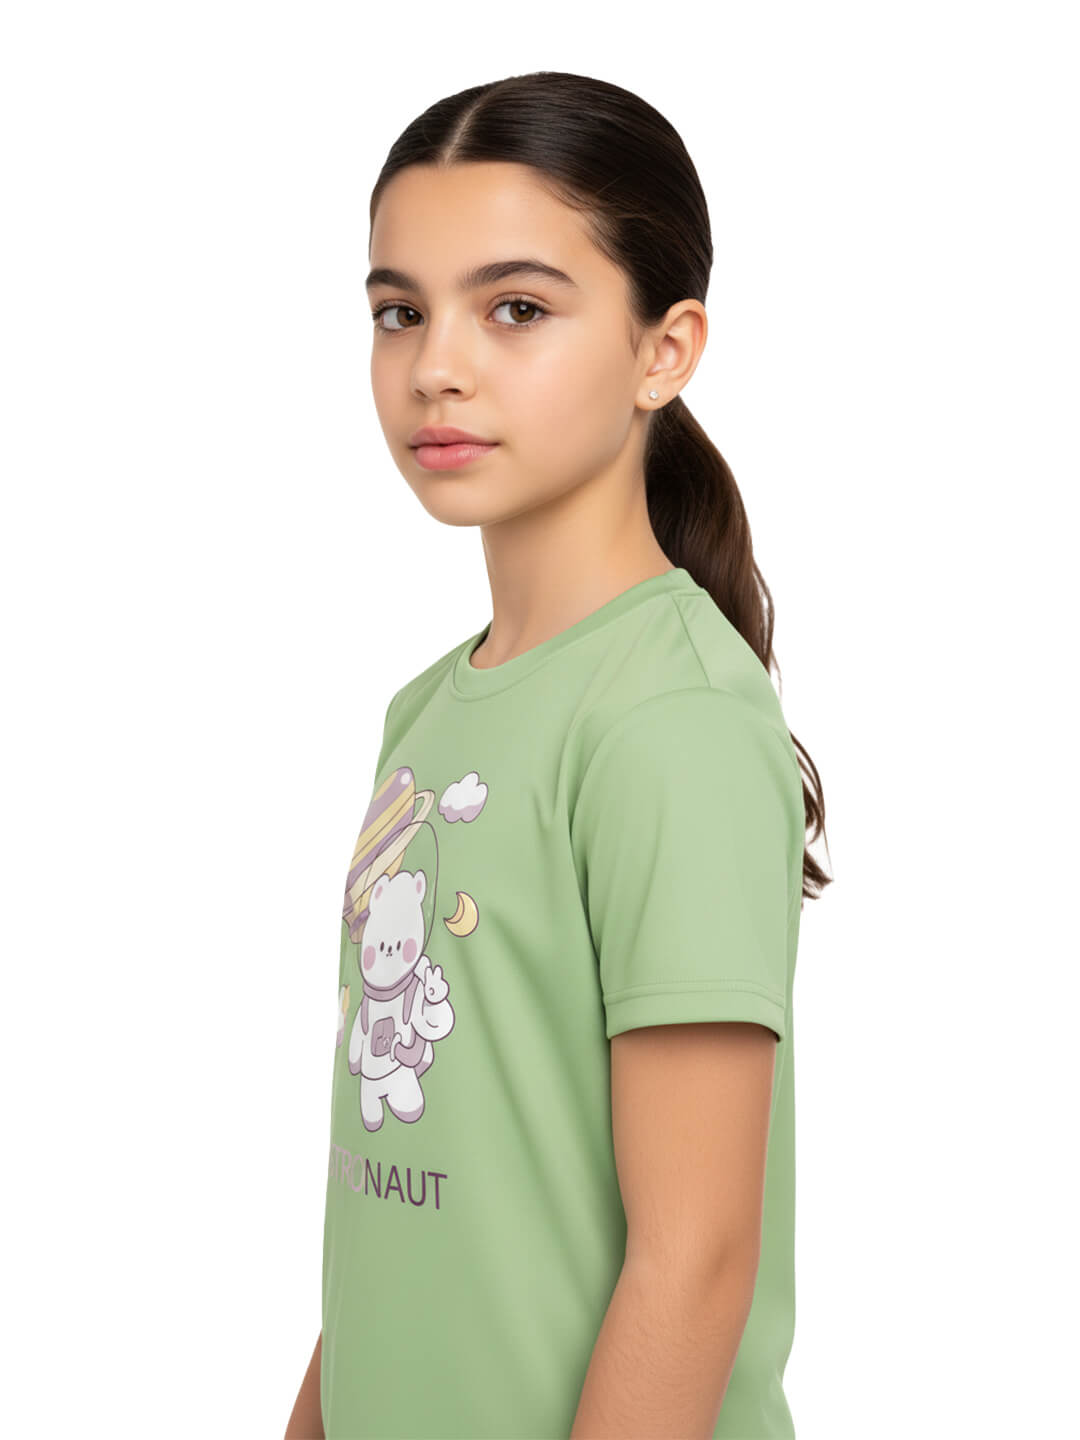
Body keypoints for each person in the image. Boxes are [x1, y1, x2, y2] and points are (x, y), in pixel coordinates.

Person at [285, 69, 831, 1440]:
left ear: (666, 350)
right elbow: (401, 1212)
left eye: (516, 308)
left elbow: (695, 1262)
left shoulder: (672, 720)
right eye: (400, 311)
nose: (437, 365)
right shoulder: (427, 713)